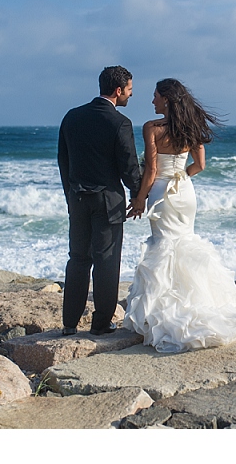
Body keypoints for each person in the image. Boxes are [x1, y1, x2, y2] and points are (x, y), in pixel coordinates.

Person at [123, 78, 236, 353]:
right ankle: (201, 300)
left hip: (161, 193)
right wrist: (182, 177)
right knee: (184, 243)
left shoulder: (152, 128)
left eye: (155, 96)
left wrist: (140, 199)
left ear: (166, 99)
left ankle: (165, 310)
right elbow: (200, 165)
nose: (152, 101)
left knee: (164, 248)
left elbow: (152, 170)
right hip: (185, 192)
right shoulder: (191, 127)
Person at [58, 65, 143, 336]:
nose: (131, 95)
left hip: (78, 199)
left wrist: (70, 195)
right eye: (129, 90)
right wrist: (139, 194)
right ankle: (101, 323)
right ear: (118, 91)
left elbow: (64, 161)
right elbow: (128, 168)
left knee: (78, 260)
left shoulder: (71, 117)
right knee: (107, 262)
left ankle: (69, 323)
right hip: (108, 201)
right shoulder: (120, 123)